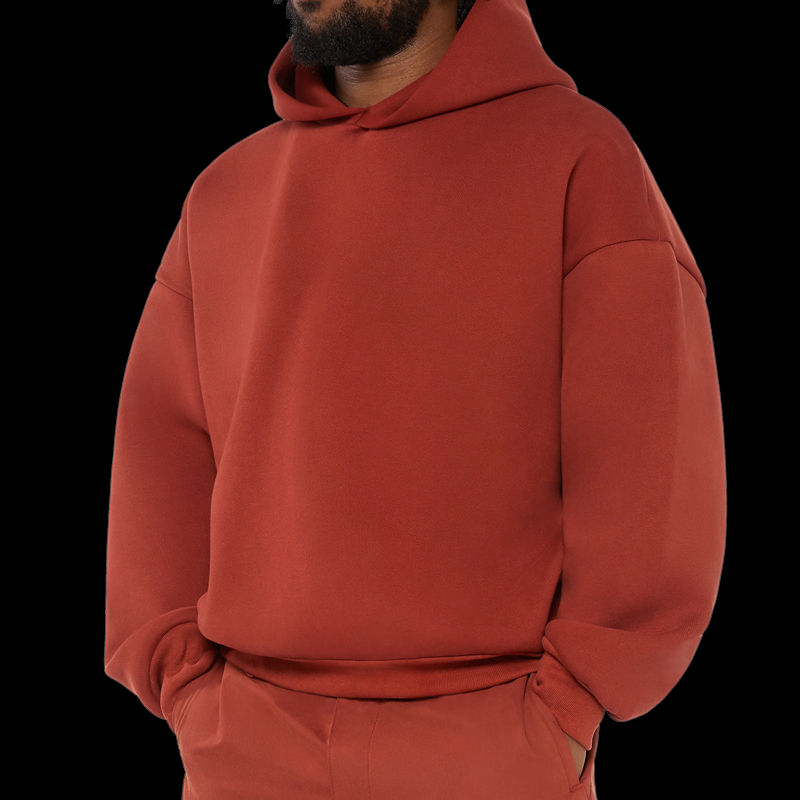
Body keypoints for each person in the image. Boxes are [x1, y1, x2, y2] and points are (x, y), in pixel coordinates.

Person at [103, 1, 727, 798]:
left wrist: (571, 705)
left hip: (490, 752)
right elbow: (160, 457)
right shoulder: (224, 192)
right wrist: (187, 689)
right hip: (246, 753)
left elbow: (650, 465)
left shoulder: (583, 160)